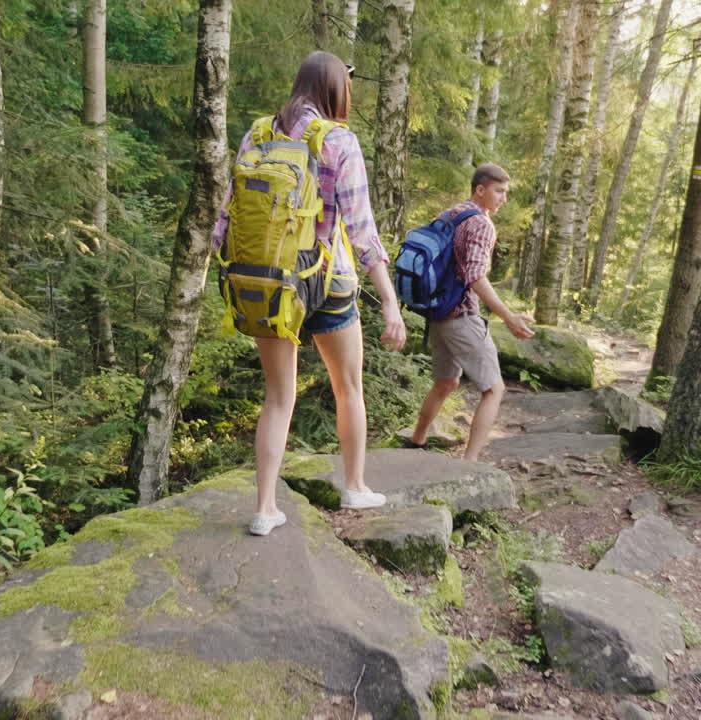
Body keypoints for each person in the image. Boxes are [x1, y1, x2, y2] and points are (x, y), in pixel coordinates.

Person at [211, 51, 407, 536]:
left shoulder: (259, 133)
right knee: (349, 387)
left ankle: (264, 509)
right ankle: (354, 486)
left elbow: (227, 212)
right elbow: (362, 229)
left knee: (278, 398)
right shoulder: (338, 139)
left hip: (271, 281)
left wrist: (225, 268)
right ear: (336, 89)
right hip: (329, 279)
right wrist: (389, 302)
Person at [406, 164, 533, 462]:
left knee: (446, 382)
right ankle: (470, 463)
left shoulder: (451, 214)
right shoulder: (480, 223)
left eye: (506, 192)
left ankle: (416, 441)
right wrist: (508, 317)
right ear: (480, 189)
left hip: (438, 314)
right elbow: (476, 277)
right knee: (494, 388)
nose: (504, 199)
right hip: (461, 316)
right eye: (499, 191)